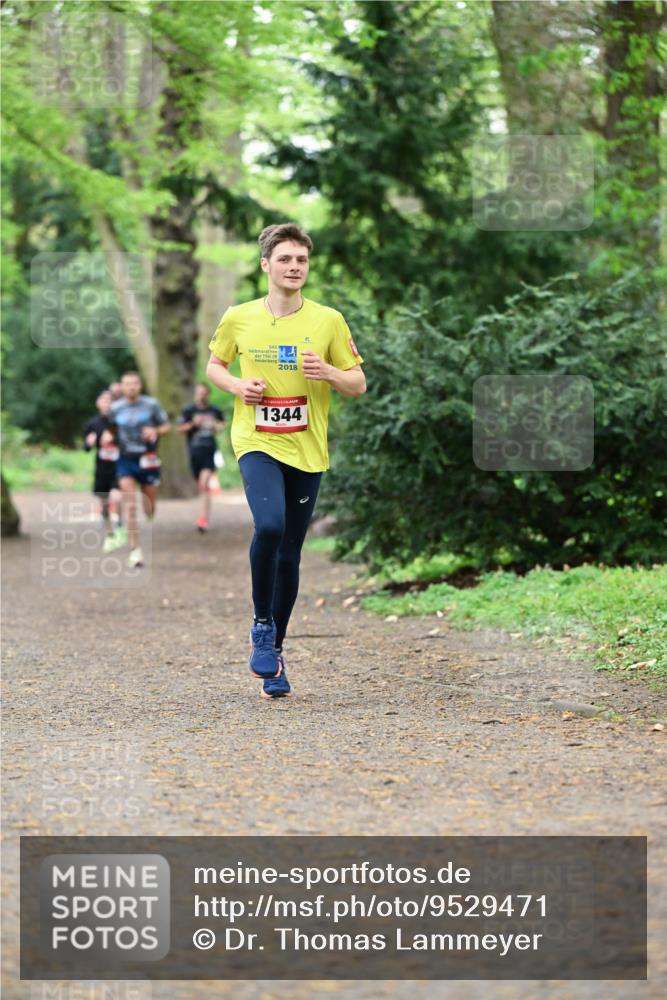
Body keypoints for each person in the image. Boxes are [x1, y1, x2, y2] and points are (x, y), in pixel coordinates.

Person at [206, 222, 366, 699]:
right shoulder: (239, 317)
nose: (294, 267)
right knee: (270, 527)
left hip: (307, 447)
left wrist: (331, 372)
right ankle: (260, 624)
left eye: (301, 260)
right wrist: (238, 386)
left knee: (291, 552)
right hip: (256, 439)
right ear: (266, 266)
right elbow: (214, 365)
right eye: (285, 260)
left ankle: (274, 652)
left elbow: (357, 384)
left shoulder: (329, 320)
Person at [111, 371, 170, 568]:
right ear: (122, 386)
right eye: (127, 384)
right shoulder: (115, 408)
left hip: (148, 460)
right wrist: (106, 438)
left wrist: (155, 431)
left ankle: (150, 513)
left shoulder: (151, 405)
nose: (131, 387)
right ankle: (135, 550)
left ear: (140, 385)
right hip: (126, 459)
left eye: (134, 383)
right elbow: (110, 428)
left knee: (149, 506)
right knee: (131, 505)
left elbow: (166, 427)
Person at [176, 384, 225, 532]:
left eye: (203, 393)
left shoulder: (215, 410)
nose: (201, 395)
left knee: (204, 484)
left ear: (208, 394)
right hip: (194, 452)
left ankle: (203, 518)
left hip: (209, 451)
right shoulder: (189, 410)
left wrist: (216, 426)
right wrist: (193, 423)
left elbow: (222, 426)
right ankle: (203, 515)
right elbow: (179, 429)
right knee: (201, 486)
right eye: (198, 393)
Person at [83, 389, 124, 553]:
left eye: (110, 400)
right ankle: (110, 534)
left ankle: (120, 523)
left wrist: (114, 439)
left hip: (119, 465)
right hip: (101, 467)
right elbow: (86, 447)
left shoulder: (120, 422)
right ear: (98, 403)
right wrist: (90, 442)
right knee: (104, 503)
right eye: (104, 400)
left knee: (117, 496)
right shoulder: (92, 423)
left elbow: (128, 441)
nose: (107, 403)